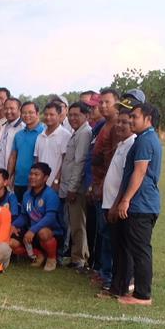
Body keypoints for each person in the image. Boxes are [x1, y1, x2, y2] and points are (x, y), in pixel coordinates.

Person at [106, 102, 163, 306]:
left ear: (148, 119)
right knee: (133, 248)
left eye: (135, 117)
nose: (131, 120)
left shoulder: (145, 141)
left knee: (140, 250)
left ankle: (142, 295)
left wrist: (126, 200)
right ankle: (129, 289)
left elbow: (139, 172)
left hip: (142, 204)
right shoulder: (143, 139)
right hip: (141, 203)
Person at [94, 106, 138, 290]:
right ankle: (107, 276)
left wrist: (117, 204)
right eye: (118, 121)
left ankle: (116, 280)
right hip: (107, 201)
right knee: (107, 240)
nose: (119, 125)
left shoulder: (132, 145)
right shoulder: (121, 144)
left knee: (117, 245)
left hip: (116, 204)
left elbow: (126, 178)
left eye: (124, 122)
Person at [58, 102, 94, 269]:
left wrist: (72, 188)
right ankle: (76, 256)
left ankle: (79, 258)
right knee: (74, 223)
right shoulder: (77, 132)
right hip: (70, 186)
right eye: (70, 115)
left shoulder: (84, 133)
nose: (72, 118)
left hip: (76, 188)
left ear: (86, 116)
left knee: (78, 223)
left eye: (76, 115)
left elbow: (79, 162)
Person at [12, 162, 63, 270]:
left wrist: (33, 230)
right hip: (32, 232)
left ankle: (52, 258)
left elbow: (50, 218)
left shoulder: (51, 195)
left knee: (43, 232)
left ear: (45, 178)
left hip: (51, 233)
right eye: (31, 174)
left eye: (36, 174)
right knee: (10, 241)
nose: (32, 177)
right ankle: (39, 255)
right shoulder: (27, 194)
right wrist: (13, 225)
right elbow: (24, 216)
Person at [7, 101, 43, 202]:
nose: (27, 115)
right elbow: (13, 157)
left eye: (31, 112)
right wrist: (8, 177)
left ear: (37, 113)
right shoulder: (19, 134)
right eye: (24, 113)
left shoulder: (43, 133)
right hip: (18, 182)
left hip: (35, 183)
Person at [34, 103, 72, 195]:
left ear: (59, 116)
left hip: (55, 184)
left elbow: (65, 161)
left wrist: (56, 180)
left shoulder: (65, 135)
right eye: (46, 114)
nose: (48, 117)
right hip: (40, 183)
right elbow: (37, 160)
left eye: (52, 115)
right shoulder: (40, 136)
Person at [0, 96, 21, 196]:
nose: (8, 111)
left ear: (19, 109)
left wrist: (11, 175)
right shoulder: (3, 126)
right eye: (6, 108)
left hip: (12, 176)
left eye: (12, 108)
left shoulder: (22, 128)